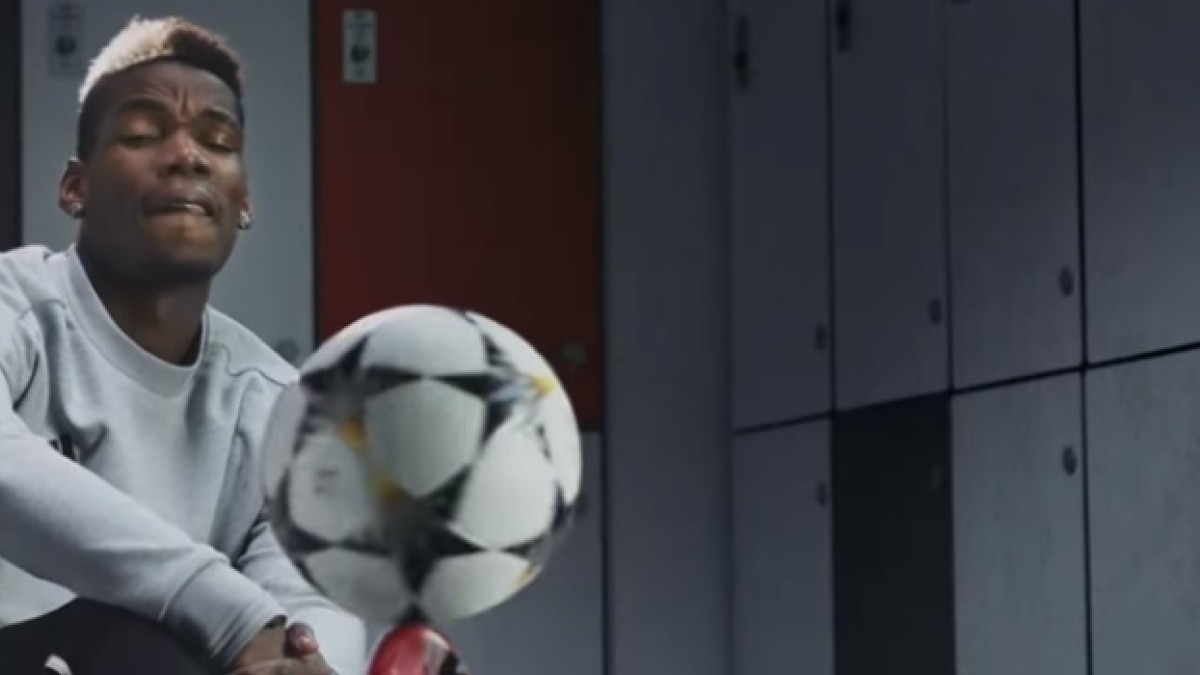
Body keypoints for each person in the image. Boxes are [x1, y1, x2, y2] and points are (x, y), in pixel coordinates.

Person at [0, 15, 368, 675]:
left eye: (217, 140)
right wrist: (225, 612)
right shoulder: (15, 301)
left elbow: (313, 595)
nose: (187, 156)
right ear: (75, 188)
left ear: (243, 201)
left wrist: (301, 660)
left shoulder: (277, 405)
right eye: (143, 135)